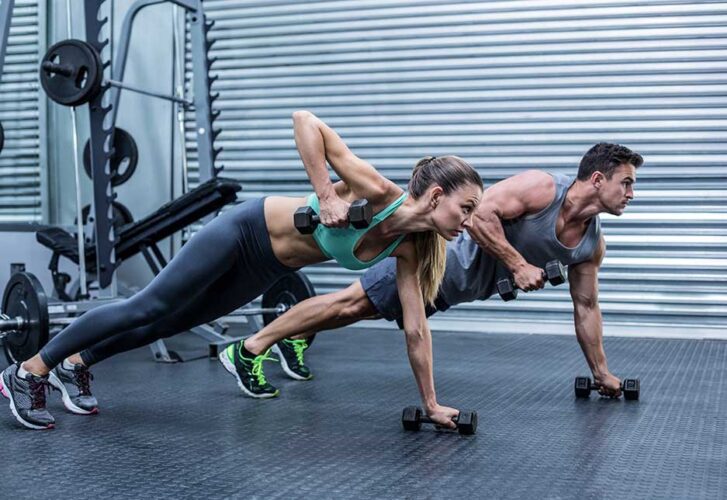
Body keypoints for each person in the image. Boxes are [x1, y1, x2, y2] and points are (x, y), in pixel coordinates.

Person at [0, 110, 483, 430]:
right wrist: (328, 193)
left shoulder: (411, 251)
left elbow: (416, 330)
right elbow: (305, 121)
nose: (468, 220)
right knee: (148, 305)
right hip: (243, 230)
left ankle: (75, 364)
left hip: (266, 266)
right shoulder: (377, 190)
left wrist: (432, 403)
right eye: (466, 207)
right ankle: (27, 371)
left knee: (172, 322)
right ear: (437, 197)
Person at [235, 143, 642, 400]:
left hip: (454, 290)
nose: (630, 194)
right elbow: (480, 214)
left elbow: (587, 307)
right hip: (438, 263)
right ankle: (253, 346)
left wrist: (601, 373)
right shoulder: (542, 189)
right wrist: (517, 264)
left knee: (360, 308)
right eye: (625, 183)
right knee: (349, 304)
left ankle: (295, 339)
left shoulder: (591, 244)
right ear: (596, 178)